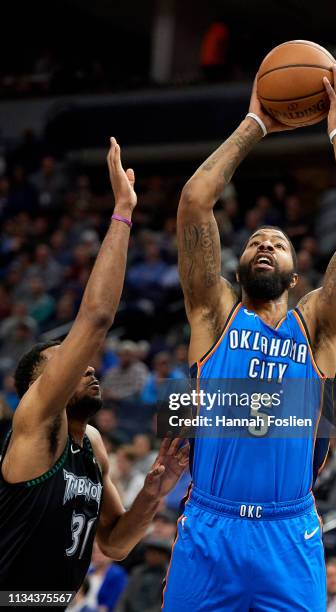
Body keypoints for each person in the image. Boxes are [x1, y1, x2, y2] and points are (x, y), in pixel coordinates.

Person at [162, 64, 336, 611]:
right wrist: (256, 122)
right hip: (212, 526)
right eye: (255, 240)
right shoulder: (213, 314)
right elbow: (193, 204)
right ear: (236, 266)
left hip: (288, 534)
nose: (263, 245)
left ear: (296, 274)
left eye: (277, 244)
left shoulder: (316, 324)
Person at [0, 138, 189, 599]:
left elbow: (115, 543)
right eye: (63, 362)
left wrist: (153, 492)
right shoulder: (39, 420)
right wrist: (123, 212)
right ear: (38, 387)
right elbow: (97, 318)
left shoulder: (94, 446)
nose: (84, 366)